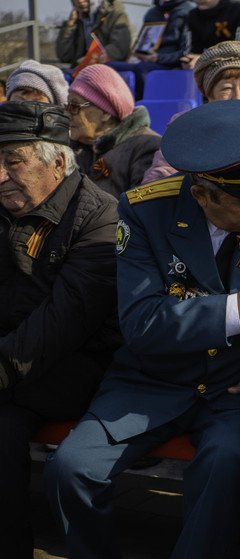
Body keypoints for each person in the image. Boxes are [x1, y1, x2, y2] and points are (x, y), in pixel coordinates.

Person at [44, 99, 240, 559]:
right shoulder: (145, 212)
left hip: (238, 385)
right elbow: (143, 323)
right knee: (70, 469)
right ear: (203, 195)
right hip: (152, 380)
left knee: (225, 466)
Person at [0, 101, 120, 558]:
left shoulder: (99, 217)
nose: (0, 175)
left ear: (56, 160)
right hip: (16, 364)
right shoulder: (7, 205)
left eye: (13, 161)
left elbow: (60, 324)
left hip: (79, 365)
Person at [143, 40, 240, 182]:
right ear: (209, 96)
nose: (238, 97)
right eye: (226, 88)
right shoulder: (185, 127)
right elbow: (161, 174)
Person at [67, 64, 161, 198]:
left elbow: (141, 210)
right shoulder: (72, 148)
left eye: (74, 106)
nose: (68, 114)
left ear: (105, 113)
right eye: (67, 106)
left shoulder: (147, 147)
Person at [108, 0, 195, 100]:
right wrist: (138, 51)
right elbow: (145, 41)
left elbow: (187, 52)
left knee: (142, 70)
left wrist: (157, 58)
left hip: (173, 67)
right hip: (147, 61)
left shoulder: (189, 11)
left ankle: (141, 109)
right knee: (109, 68)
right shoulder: (152, 12)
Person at [55, 0, 132, 68]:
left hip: (106, 70)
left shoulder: (116, 16)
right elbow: (64, 56)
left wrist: (86, 62)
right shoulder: (78, 21)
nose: (80, 1)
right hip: (81, 71)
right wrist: (69, 26)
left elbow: (119, 49)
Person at [180, 0, 240, 69]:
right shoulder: (193, 14)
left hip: (232, 66)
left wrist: (206, 59)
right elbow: (192, 50)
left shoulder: (239, 11)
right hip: (204, 69)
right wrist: (189, 61)